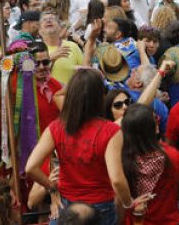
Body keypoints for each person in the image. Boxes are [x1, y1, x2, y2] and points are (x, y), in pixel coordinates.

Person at [25, 69, 121, 225]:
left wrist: (52, 188)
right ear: (99, 97)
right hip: (101, 206)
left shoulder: (56, 127)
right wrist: (128, 202)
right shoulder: (111, 130)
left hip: (67, 205)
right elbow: (116, 180)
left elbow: (31, 167)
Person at [110, 102, 179, 225]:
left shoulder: (119, 160)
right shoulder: (173, 156)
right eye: (155, 118)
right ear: (155, 127)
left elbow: (118, 202)